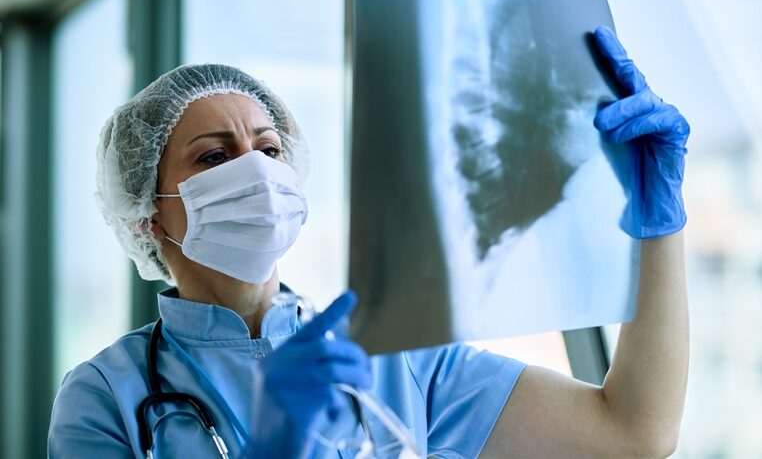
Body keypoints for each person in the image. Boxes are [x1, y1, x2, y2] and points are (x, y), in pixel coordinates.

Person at [48, 26, 689, 458]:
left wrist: (659, 226)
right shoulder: (105, 395)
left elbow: (632, 430)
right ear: (147, 215)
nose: (256, 172)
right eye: (215, 158)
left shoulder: (389, 358)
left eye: (269, 150)